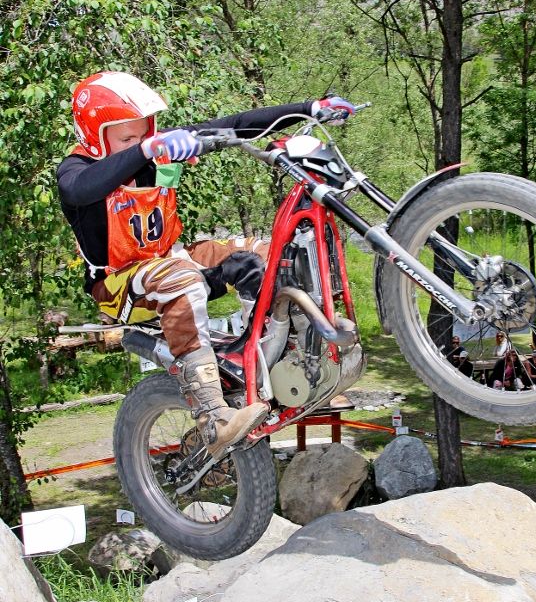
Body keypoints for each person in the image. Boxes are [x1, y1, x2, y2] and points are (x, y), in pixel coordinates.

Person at [57, 71, 356, 457]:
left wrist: (309, 108)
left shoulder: (153, 147)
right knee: (179, 276)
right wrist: (147, 149)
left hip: (169, 259)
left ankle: (298, 357)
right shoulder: (76, 170)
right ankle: (212, 418)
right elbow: (79, 189)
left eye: (144, 133)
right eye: (127, 139)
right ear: (94, 136)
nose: (139, 143)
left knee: (263, 252)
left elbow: (233, 124)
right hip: (117, 286)